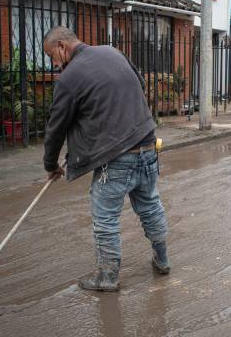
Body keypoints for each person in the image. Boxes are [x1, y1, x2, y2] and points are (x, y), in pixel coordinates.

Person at [42, 26, 170, 292]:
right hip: (147, 146)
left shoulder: (69, 78)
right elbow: (139, 85)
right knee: (150, 207)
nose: (54, 64)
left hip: (116, 158)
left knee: (105, 219)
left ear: (62, 46)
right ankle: (162, 259)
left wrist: (51, 165)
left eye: (52, 56)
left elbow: (56, 127)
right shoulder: (113, 52)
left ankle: (108, 277)